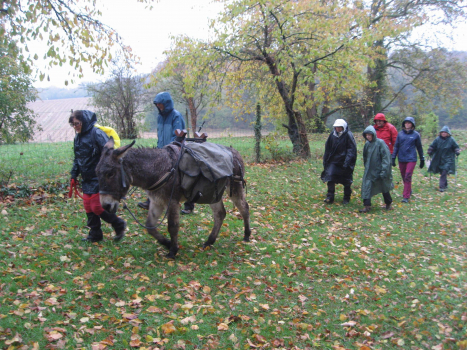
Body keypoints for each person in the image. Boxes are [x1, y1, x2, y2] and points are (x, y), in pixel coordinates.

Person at [70, 110, 126, 242]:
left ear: (84, 121)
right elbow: (77, 158)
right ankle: (95, 234)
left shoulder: (97, 133)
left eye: (77, 124)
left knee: (96, 206)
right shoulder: (77, 138)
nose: (75, 127)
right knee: (88, 206)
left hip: (100, 177)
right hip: (86, 177)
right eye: (73, 125)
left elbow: (109, 154)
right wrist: (74, 174)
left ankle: (118, 224)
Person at [137, 92, 195, 214]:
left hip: (176, 151)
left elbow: (177, 136)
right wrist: (159, 149)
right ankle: (150, 201)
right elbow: (160, 135)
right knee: (154, 174)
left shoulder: (176, 116)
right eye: (157, 104)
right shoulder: (160, 117)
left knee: (182, 176)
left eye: (160, 103)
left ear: (166, 103)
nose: (158, 106)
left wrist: (168, 150)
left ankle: (189, 206)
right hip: (162, 151)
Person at [321, 119, 357, 205]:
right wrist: (326, 160)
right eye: (336, 127)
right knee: (330, 177)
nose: (337, 129)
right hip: (334, 161)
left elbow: (351, 150)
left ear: (343, 127)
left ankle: (346, 198)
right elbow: (328, 148)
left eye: (339, 127)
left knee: (347, 181)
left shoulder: (348, 135)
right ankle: (330, 196)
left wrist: (347, 162)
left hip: (344, 161)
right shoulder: (332, 135)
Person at [360, 125, 394, 213]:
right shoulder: (367, 144)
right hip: (370, 170)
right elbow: (365, 156)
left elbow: (386, 158)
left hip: (379, 170)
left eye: (369, 135)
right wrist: (366, 166)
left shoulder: (380, 143)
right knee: (367, 186)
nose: (368, 137)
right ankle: (367, 205)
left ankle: (388, 203)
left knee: (384, 187)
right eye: (366, 135)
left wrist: (384, 171)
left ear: (373, 135)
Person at [391, 117, 425, 203]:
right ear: (404, 124)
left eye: (409, 123)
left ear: (412, 125)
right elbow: (396, 146)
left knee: (407, 176)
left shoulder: (416, 135)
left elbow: (419, 147)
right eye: (406, 123)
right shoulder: (400, 134)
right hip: (401, 158)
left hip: (411, 158)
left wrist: (422, 159)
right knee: (403, 176)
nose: (407, 124)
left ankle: (406, 196)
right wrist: (393, 157)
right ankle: (408, 189)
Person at [427, 126, 461, 192]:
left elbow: (456, 147)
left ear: (448, 133)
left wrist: (457, 151)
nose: (444, 133)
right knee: (442, 172)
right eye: (442, 132)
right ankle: (445, 185)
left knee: (444, 171)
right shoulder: (437, 139)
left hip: (448, 159)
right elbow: (432, 146)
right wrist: (430, 150)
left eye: (445, 132)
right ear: (440, 133)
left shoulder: (451, 139)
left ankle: (441, 187)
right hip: (439, 158)